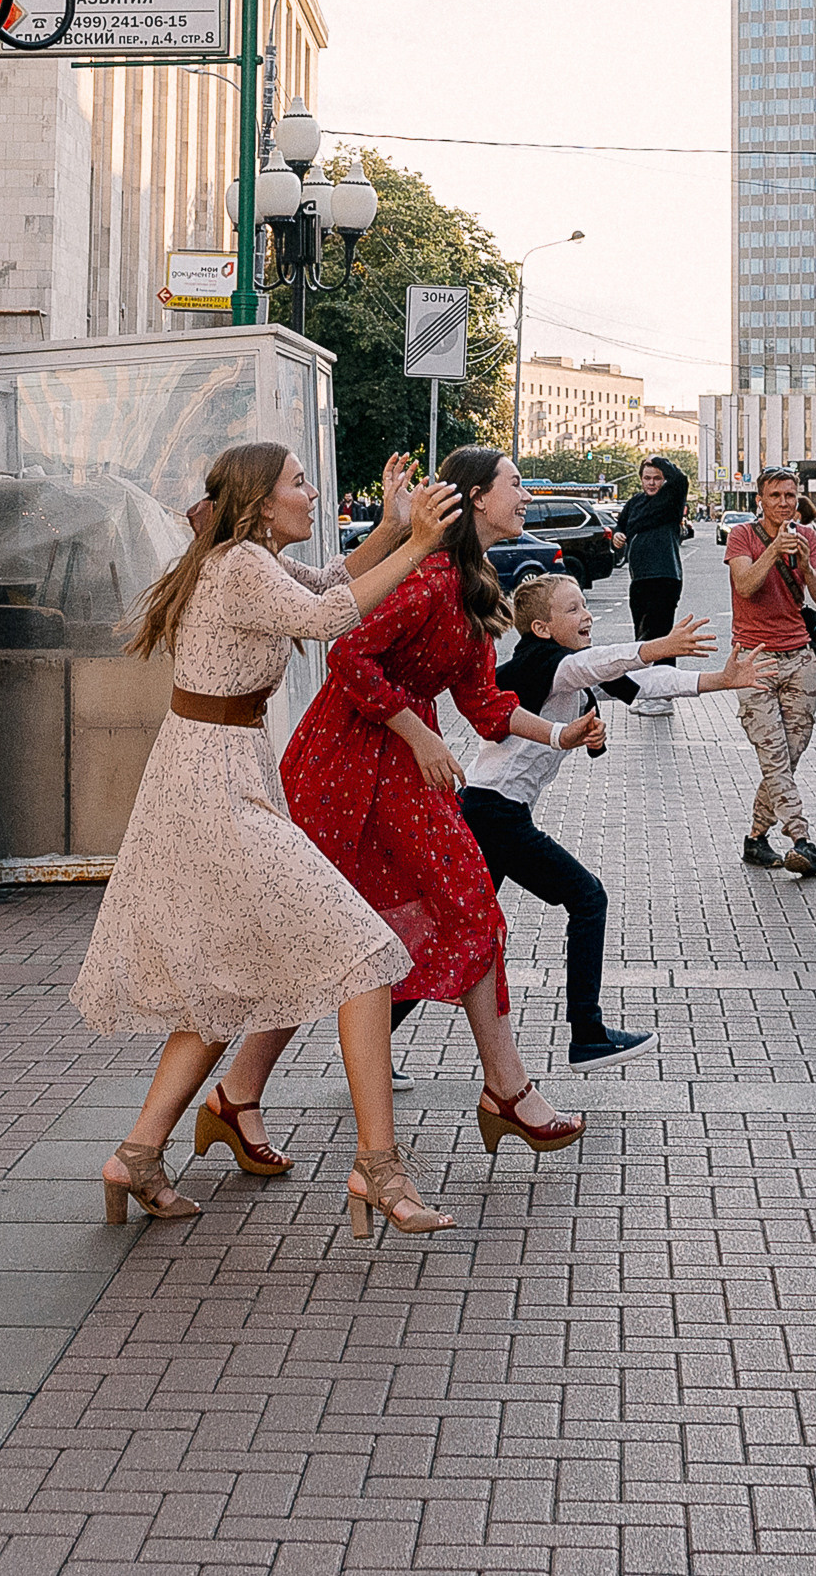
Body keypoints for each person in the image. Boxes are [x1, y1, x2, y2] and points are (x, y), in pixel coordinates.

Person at [72, 445, 460, 1236]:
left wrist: (389, 530)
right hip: (213, 790)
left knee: (227, 979)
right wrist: (417, 543)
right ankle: (378, 1168)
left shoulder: (245, 560)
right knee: (362, 952)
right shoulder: (240, 565)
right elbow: (324, 620)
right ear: (259, 501)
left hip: (218, 775)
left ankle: (137, 1155)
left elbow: (323, 586)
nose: (312, 492)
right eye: (299, 482)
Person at [281, 446, 603, 1164]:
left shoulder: (474, 582)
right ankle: (506, 1090)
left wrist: (561, 732)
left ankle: (506, 1087)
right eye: (516, 484)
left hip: (400, 767)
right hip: (346, 762)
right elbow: (347, 655)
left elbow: (486, 704)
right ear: (478, 499)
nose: (526, 496)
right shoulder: (428, 577)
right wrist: (414, 730)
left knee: (451, 912)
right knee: (313, 932)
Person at [469, 574, 756, 1070]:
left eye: (585, 606)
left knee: (460, 931)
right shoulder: (544, 663)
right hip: (491, 811)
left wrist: (718, 681)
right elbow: (593, 664)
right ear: (541, 627)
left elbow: (643, 686)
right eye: (574, 609)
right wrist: (657, 645)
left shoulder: (573, 671)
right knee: (587, 897)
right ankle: (588, 1034)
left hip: (492, 813)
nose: (588, 616)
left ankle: (375, 1039)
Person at [727, 466, 816, 876]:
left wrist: (805, 564)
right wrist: (772, 551)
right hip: (755, 660)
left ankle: (756, 839)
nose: (784, 503)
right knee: (774, 756)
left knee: (787, 756)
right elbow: (746, 585)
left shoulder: (808, 537)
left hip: (800, 656)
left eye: (790, 495)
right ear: (760, 500)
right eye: (775, 496)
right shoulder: (742, 536)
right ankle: (801, 839)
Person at [619, 455, 690, 718]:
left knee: (660, 637)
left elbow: (681, 479)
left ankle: (663, 696)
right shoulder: (635, 503)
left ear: (664, 480)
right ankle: (650, 692)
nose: (651, 483)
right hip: (640, 579)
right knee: (644, 638)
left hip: (664, 576)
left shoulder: (670, 500)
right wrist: (617, 535)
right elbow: (622, 525)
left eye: (657, 478)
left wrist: (657, 459)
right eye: (647, 478)